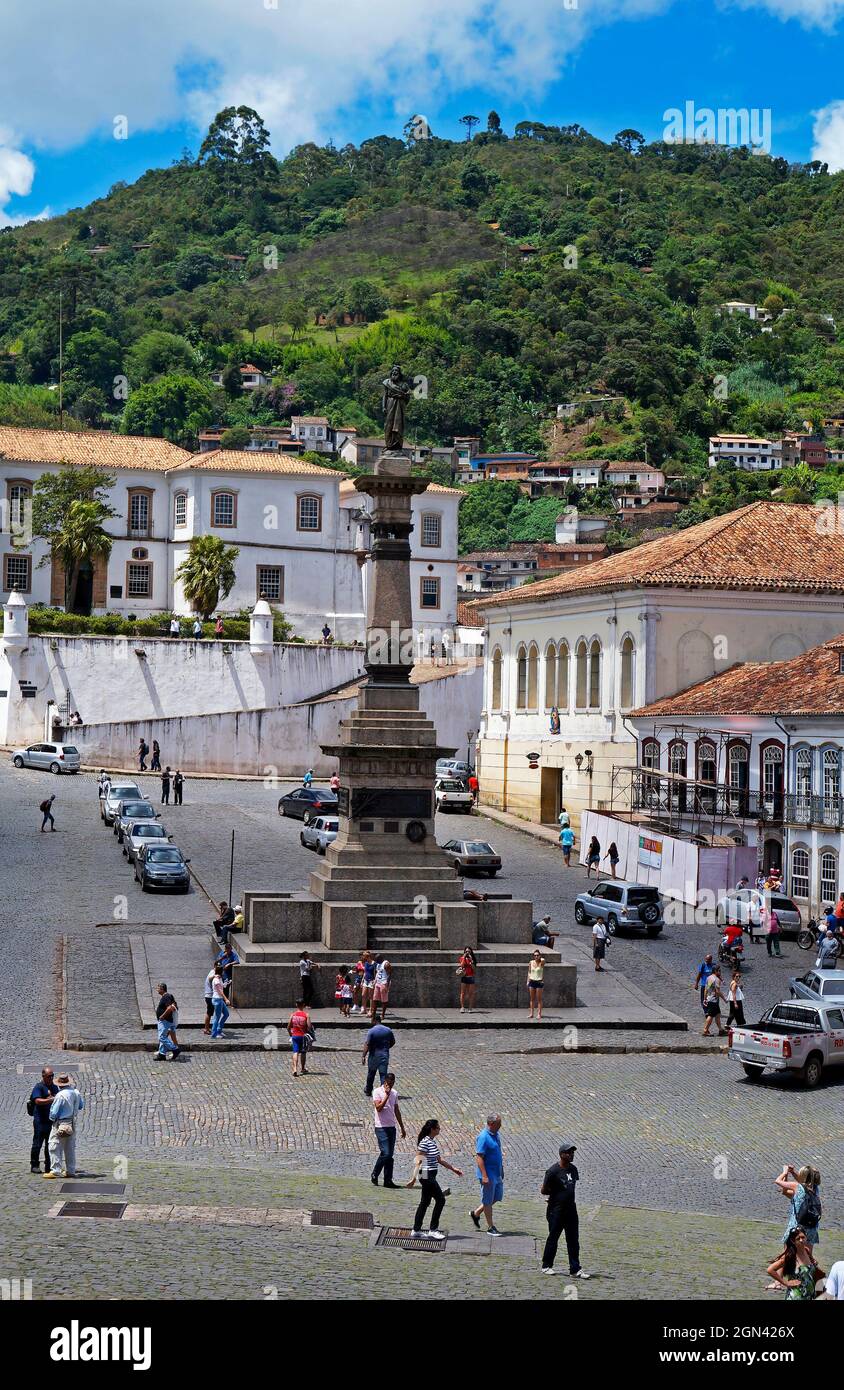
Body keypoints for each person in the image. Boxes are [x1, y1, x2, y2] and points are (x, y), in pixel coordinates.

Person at [541, 1142, 590, 1277]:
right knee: (553, 1237)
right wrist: (555, 1196)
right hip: (556, 1210)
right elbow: (543, 1190)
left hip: (571, 1209)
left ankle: (575, 1269)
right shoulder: (553, 1171)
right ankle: (546, 1265)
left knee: (573, 1239)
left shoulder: (573, 1169)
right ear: (562, 1155)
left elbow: (571, 1187)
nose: (572, 1155)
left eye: (572, 1152)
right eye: (569, 1153)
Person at [410, 1119, 462, 1240]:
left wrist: (453, 1169)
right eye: (438, 1128)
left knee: (425, 1202)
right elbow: (418, 1161)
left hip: (430, 1174)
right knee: (440, 1199)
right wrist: (413, 1179)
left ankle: (416, 1230)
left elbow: (439, 1160)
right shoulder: (425, 1142)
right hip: (426, 1175)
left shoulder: (431, 1142)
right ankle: (433, 1230)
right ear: (432, 1129)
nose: (439, 1129)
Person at [776, 1163, 822, 1257]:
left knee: (788, 1257)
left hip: (796, 1227)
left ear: (803, 1176)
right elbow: (787, 1190)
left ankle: (780, 1270)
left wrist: (785, 1172)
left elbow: (778, 1181)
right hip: (811, 1228)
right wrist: (792, 1172)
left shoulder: (797, 1186)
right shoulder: (815, 1189)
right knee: (808, 1257)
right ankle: (807, 1270)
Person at [766, 1227, 825, 1300]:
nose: (801, 1240)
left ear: (806, 1237)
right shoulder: (790, 1256)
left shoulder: (807, 1251)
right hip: (795, 1296)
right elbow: (770, 1270)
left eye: (803, 1237)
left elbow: (810, 1269)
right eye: (798, 1238)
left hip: (810, 1296)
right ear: (793, 1241)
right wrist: (785, 1283)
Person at [45, 1073, 84, 1180]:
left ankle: (55, 1170)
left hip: (61, 1123)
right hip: (72, 1122)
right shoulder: (76, 1092)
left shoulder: (60, 1095)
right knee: (70, 1147)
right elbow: (81, 1105)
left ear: (59, 1085)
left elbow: (54, 1112)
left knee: (54, 1145)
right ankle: (70, 1170)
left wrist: (52, 1120)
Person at [371, 1072, 406, 1188]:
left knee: (389, 1155)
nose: (391, 1085)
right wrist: (386, 1095)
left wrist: (402, 1127)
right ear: (385, 1081)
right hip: (381, 1127)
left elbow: (396, 1110)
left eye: (393, 1083)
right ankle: (375, 1173)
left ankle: (388, 1180)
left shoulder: (395, 1093)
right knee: (386, 1153)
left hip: (391, 1127)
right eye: (389, 1082)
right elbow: (379, 1108)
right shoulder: (377, 1092)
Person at [471, 1115, 503, 1235]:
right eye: (498, 1124)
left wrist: (501, 1169)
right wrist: (484, 1175)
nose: (500, 1126)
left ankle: (476, 1213)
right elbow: (479, 1157)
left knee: (497, 1196)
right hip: (488, 1175)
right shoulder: (483, 1137)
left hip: (496, 1173)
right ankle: (490, 1227)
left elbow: (498, 1153)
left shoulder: (495, 1135)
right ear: (491, 1123)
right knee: (488, 1200)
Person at [29, 1066, 58, 1174]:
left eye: (52, 1076)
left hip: (51, 1120)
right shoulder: (39, 1087)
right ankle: (34, 1164)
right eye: (49, 1076)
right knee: (37, 1143)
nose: (51, 1078)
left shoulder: (55, 1087)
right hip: (40, 1120)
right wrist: (50, 1100)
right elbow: (37, 1101)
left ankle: (48, 1165)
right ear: (43, 1076)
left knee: (50, 1144)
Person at [363, 1018, 395, 1097]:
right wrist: (386, 1048)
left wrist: (364, 1055)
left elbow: (367, 1044)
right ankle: (384, 1091)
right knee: (383, 1075)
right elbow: (393, 1042)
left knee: (371, 1073)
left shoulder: (371, 1031)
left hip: (373, 1055)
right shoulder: (388, 1030)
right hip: (384, 1055)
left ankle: (368, 1090)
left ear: (374, 1021)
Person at [154, 983, 180, 1061]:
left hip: (165, 1020)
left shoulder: (166, 996)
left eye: (158, 988)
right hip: (166, 1020)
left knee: (162, 1037)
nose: (157, 989)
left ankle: (175, 1049)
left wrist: (163, 1016)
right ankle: (162, 1054)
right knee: (163, 1036)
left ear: (162, 989)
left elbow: (169, 1008)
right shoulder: (166, 996)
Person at [287, 999, 311, 1077]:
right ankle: (303, 1068)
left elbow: (288, 1027)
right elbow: (309, 1027)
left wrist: (291, 1034)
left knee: (295, 1052)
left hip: (295, 1036)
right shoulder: (306, 1015)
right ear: (303, 1005)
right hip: (303, 1037)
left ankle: (294, 1069)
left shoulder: (293, 1015)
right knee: (303, 1052)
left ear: (296, 1005)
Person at [702, 967, 727, 1036]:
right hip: (714, 1000)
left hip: (709, 998)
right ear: (715, 971)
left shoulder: (709, 978)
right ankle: (705, 1030)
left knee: (718, 1014)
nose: (720, 972)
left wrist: (705, 999)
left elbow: (706, 989)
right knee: (711, 1015)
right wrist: (725, 999)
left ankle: (720, 1030)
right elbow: (718, 991)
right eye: (719, 971)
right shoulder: (717, 979)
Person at [209, 966, 230, 1039]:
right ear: (221, 971)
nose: (224, 972)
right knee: (217, 1017)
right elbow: (219, 991)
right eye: (223, 971)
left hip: (219, 999)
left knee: (226, 1014)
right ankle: (214, 1034)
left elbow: (221, 987)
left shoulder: (219, 978)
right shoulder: (216, 980)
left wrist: (226, 984)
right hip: (217, 999)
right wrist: (226, 999)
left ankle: (219, 1030)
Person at [372, 956, 392, 1021]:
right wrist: (375, 981)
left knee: (384, 1000)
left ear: (380, 959)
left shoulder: (386, 964)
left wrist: (387, 985)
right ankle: (373, 1014)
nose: (376, 961)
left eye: (377, 960)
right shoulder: (378, 964)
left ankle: (383, 1015)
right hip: (378, 983)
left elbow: (390, 974)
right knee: (375, 999)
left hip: (384, 983)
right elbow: (377, 973)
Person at [457, 946, 477, 1013]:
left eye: (469, 951)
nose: (467, 952)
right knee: (462, 993)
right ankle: (462, 1007)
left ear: (471, 952)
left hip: (471, 977)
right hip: (464, 977)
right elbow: (462, 966)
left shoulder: (473, 959)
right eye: (466, 951)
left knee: (470, 994)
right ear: (464, 952)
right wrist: (464, 958)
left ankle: (470, 1008)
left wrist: (471, 961)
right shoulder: (462, 958)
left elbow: (474, 970)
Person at [527, 949, 545, 1020]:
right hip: (532, 981)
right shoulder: (531, 962)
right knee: (532, 999)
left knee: (539, 999)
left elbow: (544, 959)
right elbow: (529, 972)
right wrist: (527, 981)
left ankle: (539, 1014)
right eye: (535, 955)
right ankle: (531, 1014)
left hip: (539, 982)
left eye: (537, 955)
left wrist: (540, 958)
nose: (536, 956)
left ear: (540, 956)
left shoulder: (542, 962)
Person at [359, 950, 376, 1015]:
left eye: (364, 957)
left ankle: (371, 1010)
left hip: (371, 980)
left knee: (370, 996)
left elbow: (375, 973)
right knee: (363, 995)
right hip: (365, 980)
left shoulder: (374, 963)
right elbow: (365, 972)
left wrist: (375, 981)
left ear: (368, 957)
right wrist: (362, 980)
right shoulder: (366, 963)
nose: (363, 958)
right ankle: (364, 1009)